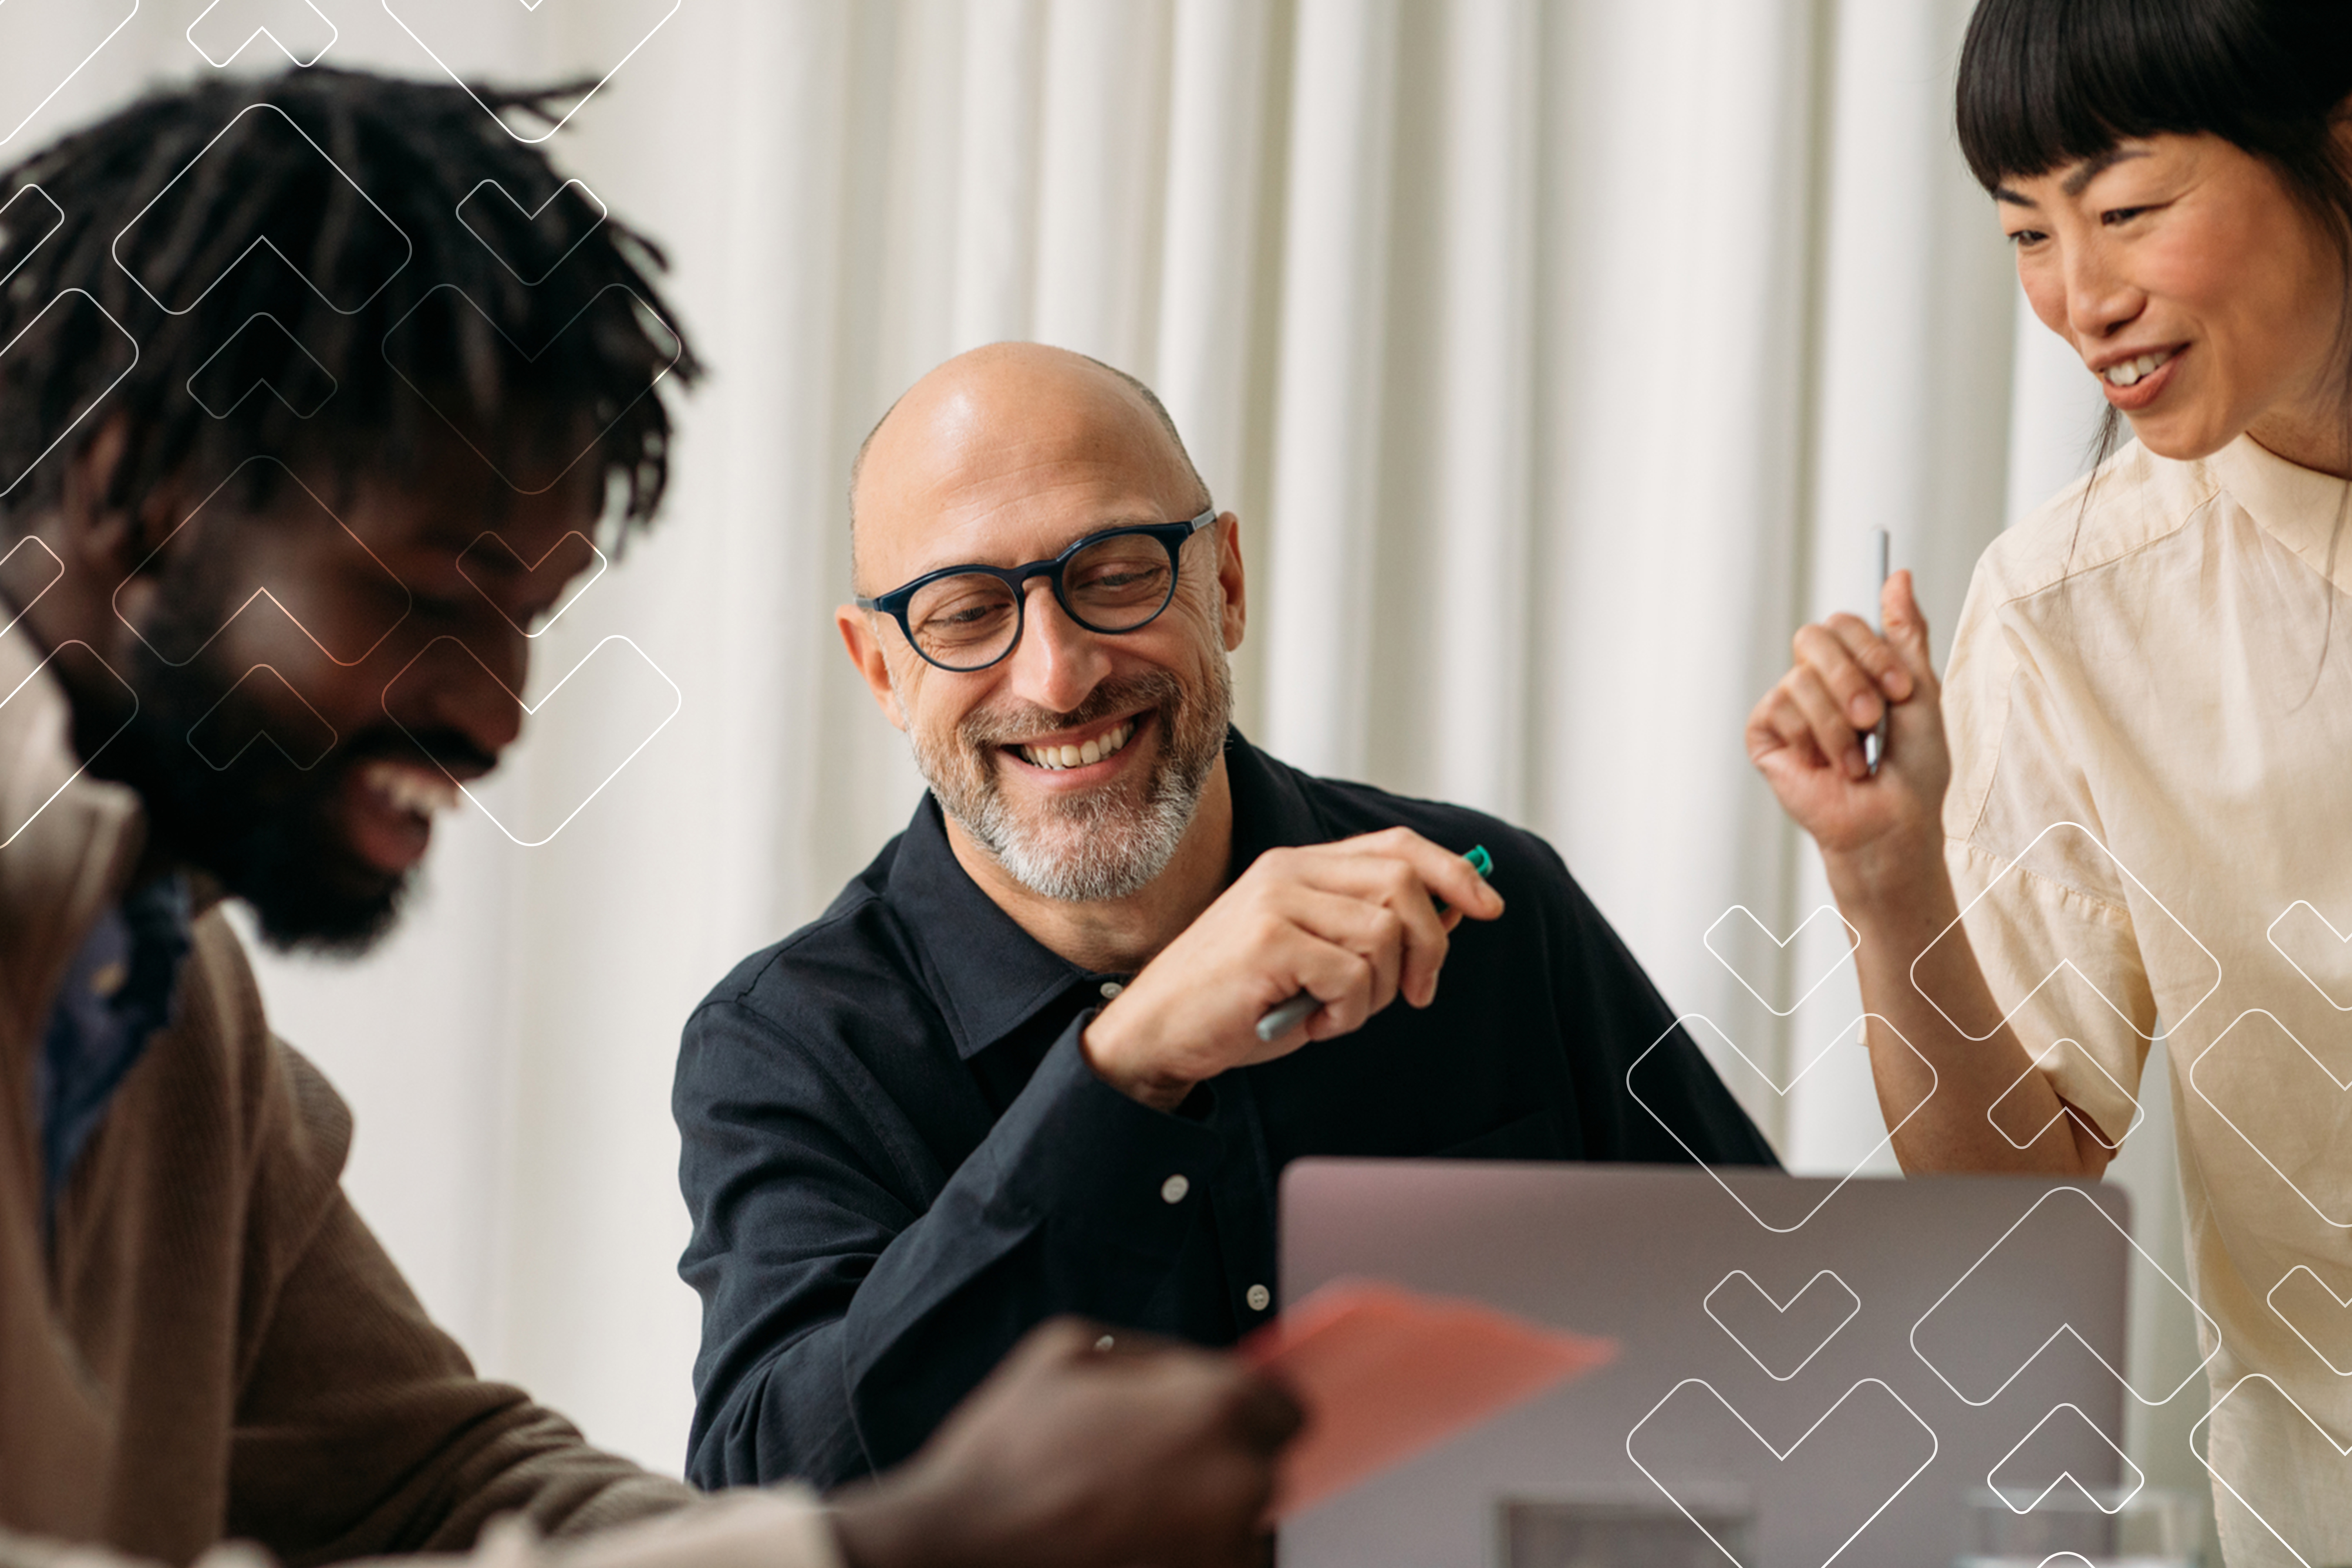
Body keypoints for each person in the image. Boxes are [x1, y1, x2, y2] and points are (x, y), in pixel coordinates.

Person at [0, 67, 1301, 1568]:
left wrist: (890, 1538)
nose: (497, 714)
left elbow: (436, 1482)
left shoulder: (167, 1000)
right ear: (140, 499)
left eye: (532, 616)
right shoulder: (795, 1032)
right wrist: (912, 1541)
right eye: (429, 593)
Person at [673, 340, 1777, 1492]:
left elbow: (1786, 1338)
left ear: (1227, 586)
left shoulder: (1493, 908)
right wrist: (1125, 1070)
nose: (1056, 678)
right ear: (883, 674)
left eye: (1111, 574)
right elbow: (772, 1499)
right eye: (963, 614)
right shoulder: (789, 1045)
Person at [1745, 0, 2352, 1560]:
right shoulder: (2074, 603)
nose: (2080, 298)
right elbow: (2019, 1195)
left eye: (2128, 209)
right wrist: (1891, 885)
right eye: (2027, 232)